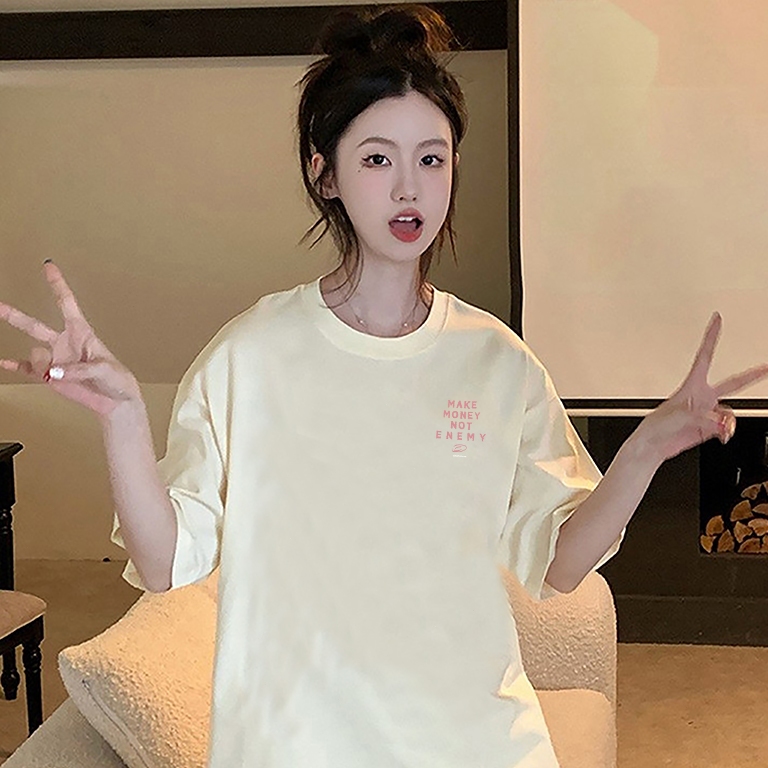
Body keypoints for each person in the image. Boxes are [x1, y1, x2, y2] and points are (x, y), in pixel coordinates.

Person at [1, 5, 767, 767]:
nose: (409, 188)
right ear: (323, 172)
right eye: (376, 159)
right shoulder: (251, 357)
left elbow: (562, 566)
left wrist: (645, 450)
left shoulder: (497, 362)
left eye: (432, 159)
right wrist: (123, 420)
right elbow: (167, 565)